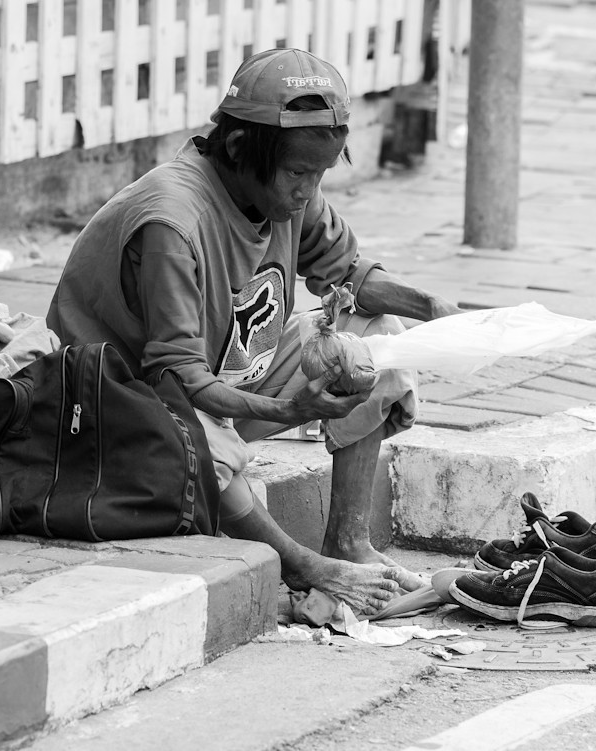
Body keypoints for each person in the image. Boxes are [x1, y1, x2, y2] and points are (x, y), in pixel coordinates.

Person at [48, 48, 461, 617]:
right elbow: (180, 381)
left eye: (319, 174)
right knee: (206, 447)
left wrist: (431, 308)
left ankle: (347, 542)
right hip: (121, 404)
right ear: (240, 147)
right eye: (298, 174)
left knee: (377, 343)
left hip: (226, 378)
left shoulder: (289, 191)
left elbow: (347, 272)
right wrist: (292, 411)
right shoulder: (173, 223)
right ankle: (304, 566)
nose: (308, 191)